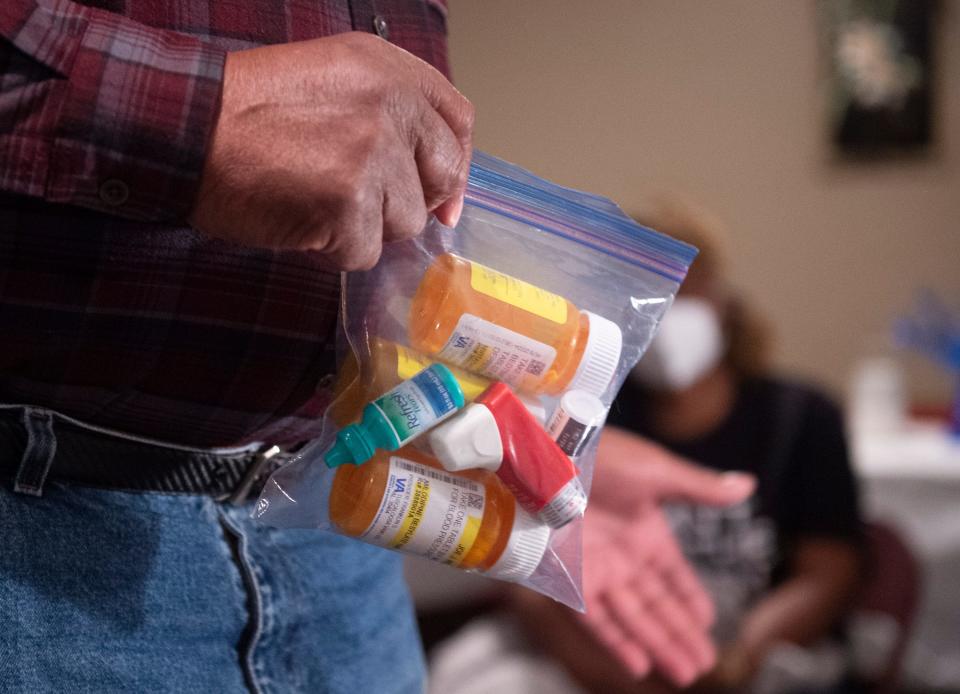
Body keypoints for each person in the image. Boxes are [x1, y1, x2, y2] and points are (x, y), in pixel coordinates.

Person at [0, 4, 727, 692]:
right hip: (47, 539)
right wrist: (200, 115)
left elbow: (394, 268)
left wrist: (537, 444)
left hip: (343, 556)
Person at [608, 202, 864, 693]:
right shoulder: (600, 419)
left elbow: (830, 570)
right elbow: (543, 589)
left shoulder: (801, 419)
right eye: (642, 295)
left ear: (720, 302)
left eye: (683, 291)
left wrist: (736, 660)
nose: (663, 312)